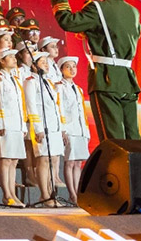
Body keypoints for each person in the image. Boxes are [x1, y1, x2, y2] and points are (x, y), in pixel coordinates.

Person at [51, 0, 141, 141]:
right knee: (133, 138)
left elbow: (68, 22)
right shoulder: (133, 12)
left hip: (106, 78)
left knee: (112, 139)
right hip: (128, 79)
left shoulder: (98, 7)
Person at [25, 51, 65, 207]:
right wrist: (37, 128)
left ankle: (51, 193)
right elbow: (31, 106)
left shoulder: (48, 82)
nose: (46, 65)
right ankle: (44, 194)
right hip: (42, 126)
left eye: (47, 62)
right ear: (34, 66)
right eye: (42, 62)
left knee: (53, 159)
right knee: (43, 159)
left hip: (54, 126)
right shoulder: (30, 82)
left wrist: (61, 128)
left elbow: (55, 106)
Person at [0, 48, 26, 207]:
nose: (14, 59)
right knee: (5, 159)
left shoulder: (15, 79)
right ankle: (7, 194)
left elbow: (20, 104)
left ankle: (13, 193)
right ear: (2, 61)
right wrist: (0, 123)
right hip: (6, 123)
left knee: (14, 160)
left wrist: (23, 125)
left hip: (16, 123)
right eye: (9, 57)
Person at [58, 56, 90, 203]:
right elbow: (60, 108)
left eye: (74, 66)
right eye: (68, 67)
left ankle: (78, 193)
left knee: (78, 163)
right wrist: (63, 129)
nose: (72, 69)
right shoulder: (59, 87)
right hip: (69, 129)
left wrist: (86, 131)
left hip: (80, 129)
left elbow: (82, 111)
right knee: (69, 161)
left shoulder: (78, 89)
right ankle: (72, 194)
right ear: (61, 70)